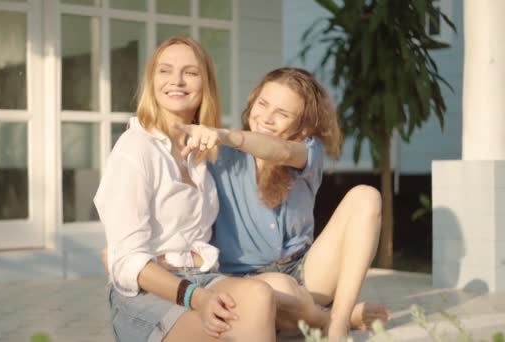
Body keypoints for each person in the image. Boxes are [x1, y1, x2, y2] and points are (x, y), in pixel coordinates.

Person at [94, 36, 290, 342]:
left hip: (203, 277)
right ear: (152, 80)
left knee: (260, 295)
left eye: (190, 72)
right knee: (228, 331)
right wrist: (196, 298)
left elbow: (283, 152)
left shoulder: (202, 154)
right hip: (150, 292)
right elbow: (126, 262)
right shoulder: (135, 149)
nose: (177, 81)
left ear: (206, 84)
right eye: (165, 70)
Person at [176, 67, 389, 341]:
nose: (267, 117)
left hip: (307, 273)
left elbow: (282, 150)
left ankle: (338, 323)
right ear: (252, 102)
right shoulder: (219, 155)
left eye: (282, 113)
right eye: (263, 104)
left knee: (366, 195)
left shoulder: (308, 152)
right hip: (249, 282)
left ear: (302, 127)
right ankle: (332, 316)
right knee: (278, 287)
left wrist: (223, 134)